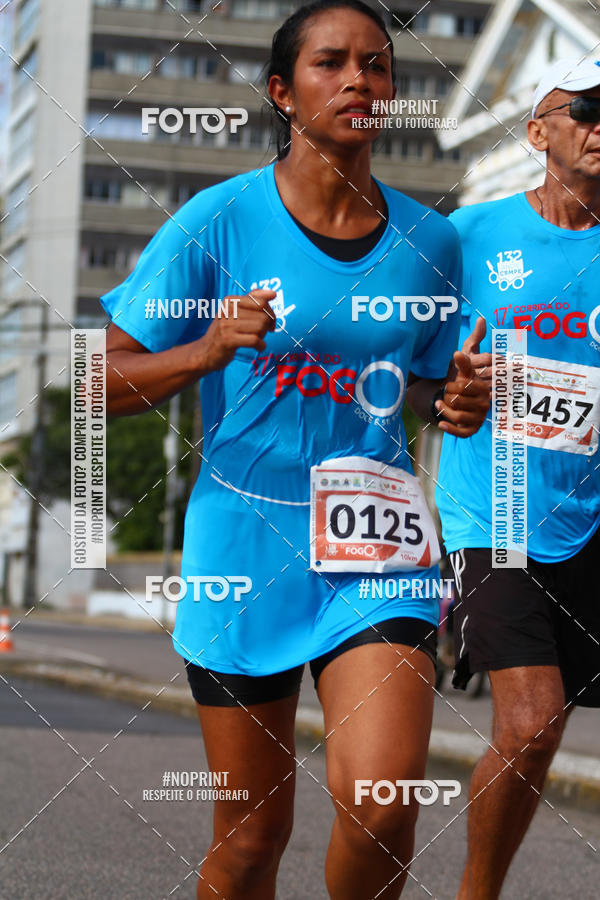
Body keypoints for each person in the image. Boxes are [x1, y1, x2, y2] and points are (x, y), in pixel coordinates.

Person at [101, 2, 488, 897]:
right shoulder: (217, 221)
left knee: (384, 805)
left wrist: (455, 397)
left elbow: (419, 385)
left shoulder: (431, 240)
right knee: (248, 842)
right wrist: (204, 351)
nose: (360, 80)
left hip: (377, 544)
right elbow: (98, 385)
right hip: (245, 546)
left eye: (378, 66)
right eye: (332, 63)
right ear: (283, 90)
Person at [436, 57, 600, 900]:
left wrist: (529, 383)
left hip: (594, 516)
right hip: (494, 511)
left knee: (549, 727)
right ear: (539, 132)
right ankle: (478, 893)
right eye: (586, 110)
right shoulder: (468, 235)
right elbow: (420, 364)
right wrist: (450, 398)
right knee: (532, 723)